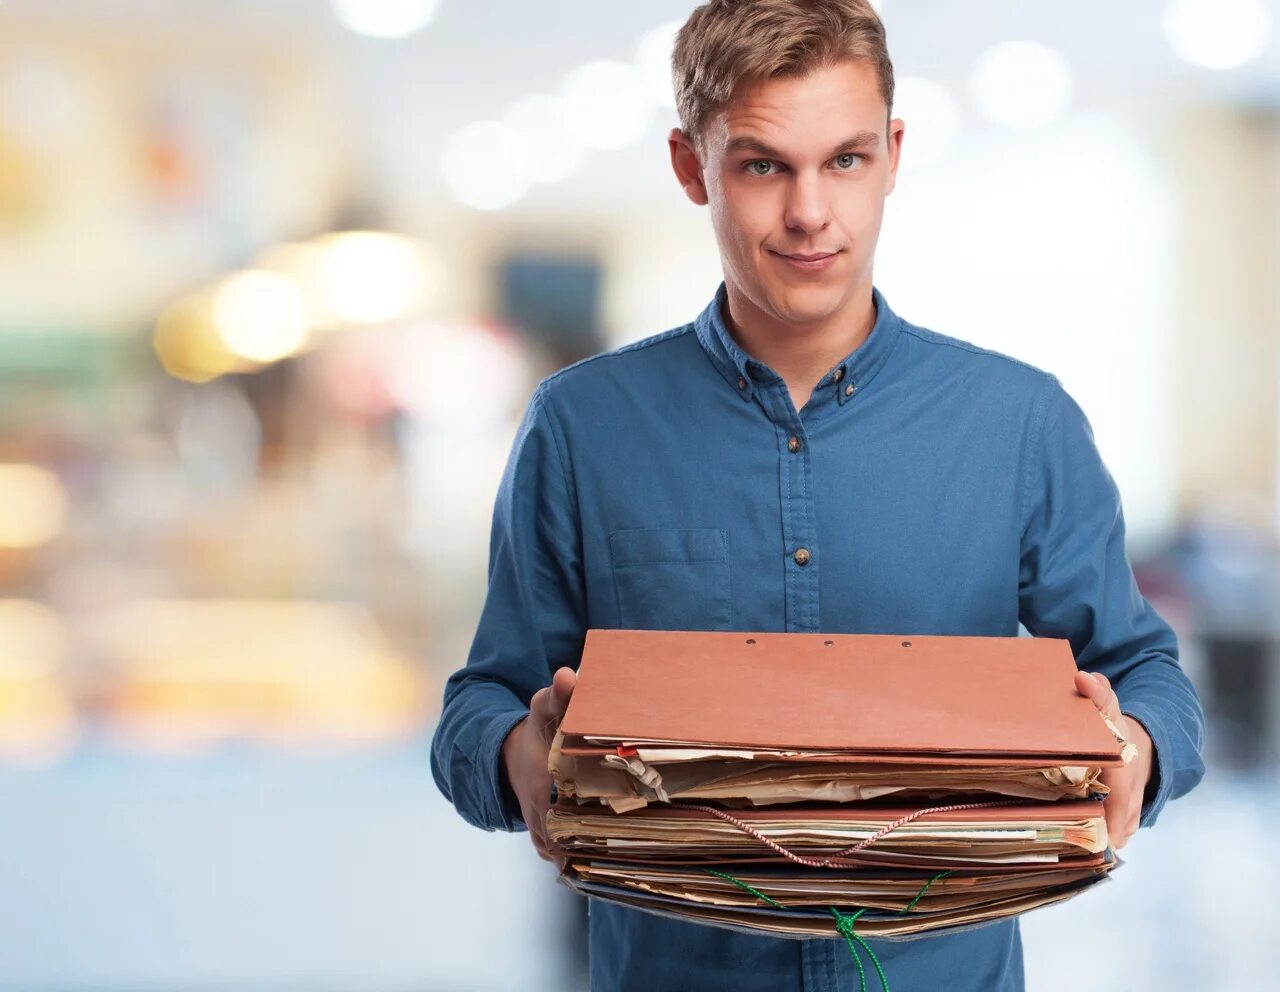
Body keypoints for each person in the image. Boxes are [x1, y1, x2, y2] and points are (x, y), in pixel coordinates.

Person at [429, 1, 1207, 989]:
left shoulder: (1018, 421)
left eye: (842, 160)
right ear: (688, 166)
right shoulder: (582, 426)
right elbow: (478, 704)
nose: (808, 212)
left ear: (889, 154)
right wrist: (519, 758)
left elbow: (1144, 669)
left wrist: (1135, 741)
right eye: (762, 164)